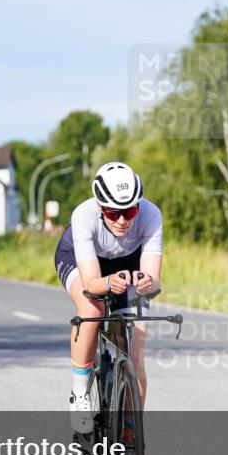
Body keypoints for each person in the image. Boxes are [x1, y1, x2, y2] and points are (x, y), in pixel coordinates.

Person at [53, 162, 162, 433]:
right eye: (113, 213)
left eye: (129, 211)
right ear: (100, 207)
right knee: (92, 307)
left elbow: (153, 278)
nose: (123, 221)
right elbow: (91, 282)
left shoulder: (151, 214)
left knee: (136, 360)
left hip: (128, 263)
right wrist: (109, 283)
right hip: (84, 263)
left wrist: (147, 282)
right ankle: (79, 393)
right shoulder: (83, 216)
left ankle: (131, 437)